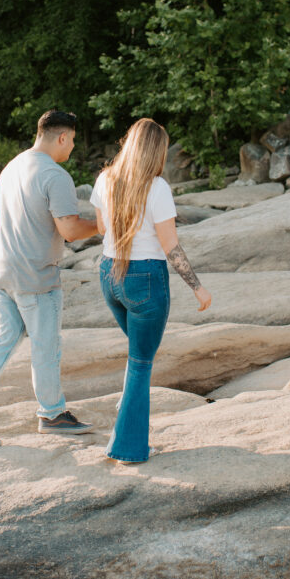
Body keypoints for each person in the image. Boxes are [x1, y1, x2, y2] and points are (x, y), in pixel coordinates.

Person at [0, 109, 98, 447]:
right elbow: (71, 230)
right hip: (35, 276)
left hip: (1, 271)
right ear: (61, 137)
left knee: (3, 341)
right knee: (46, 347)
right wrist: (108, 224)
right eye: (71, 141)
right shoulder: (55, 176)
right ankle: (52, 414)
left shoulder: (12, 167)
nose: (71, 148)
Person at [91, 118, 212, 464]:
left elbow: (101, 228)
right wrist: (198, 287)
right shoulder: (156, 187)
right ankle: (128, 449)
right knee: (141, 363)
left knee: (136, 358)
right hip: (145, 278)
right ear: (156, 151)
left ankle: (127, 414)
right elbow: (170, 245)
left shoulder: (105, 179)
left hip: (110, 275)